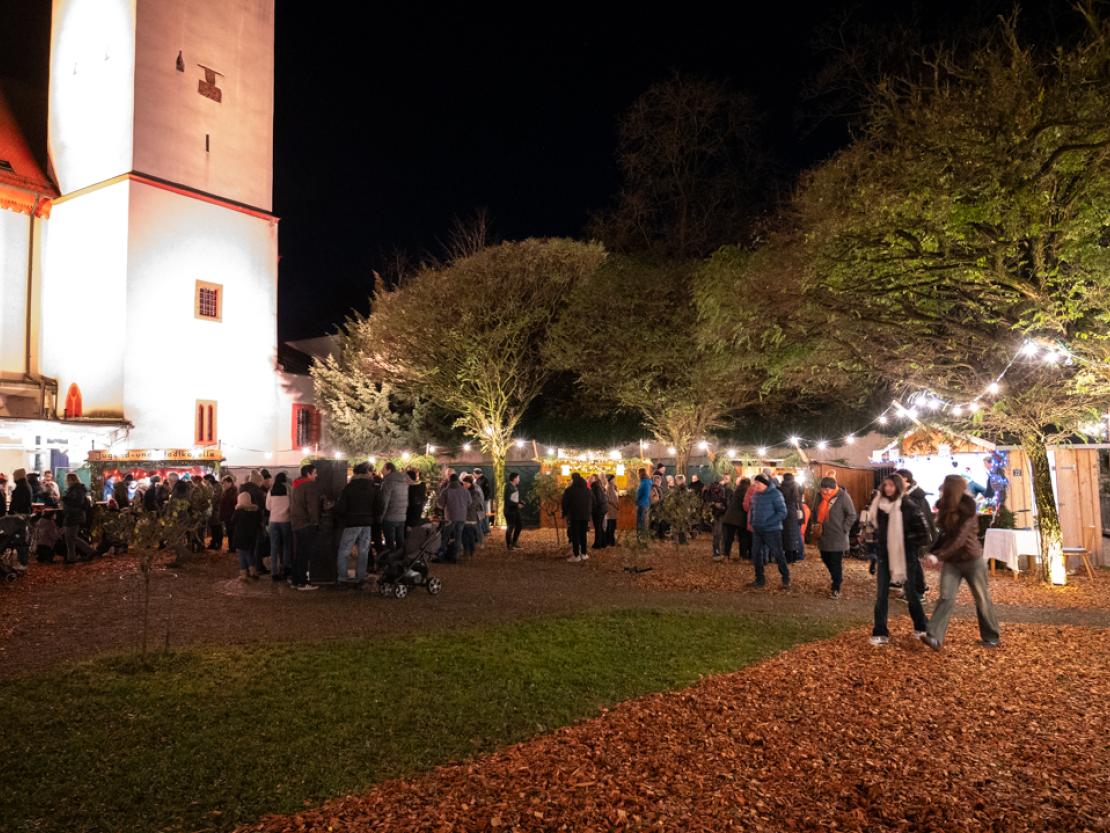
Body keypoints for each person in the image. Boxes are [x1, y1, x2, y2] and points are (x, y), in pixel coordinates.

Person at [923, 475, 1001, 650]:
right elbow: (943, 535)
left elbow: (959, 539)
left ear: (951, 490)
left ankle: (991, 636)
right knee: (945, 597)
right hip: (952, 562)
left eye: (943, 489)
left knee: (981, 598)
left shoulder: (969, 509)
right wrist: (931, 551)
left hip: (972, 560)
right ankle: (934, 636)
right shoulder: (944, 508)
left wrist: (938, 556)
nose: (940, 492)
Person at [867, 475, 929, 645]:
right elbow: (873, 530)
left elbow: (923, 534)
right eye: (886, 485)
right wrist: (873, 551)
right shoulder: (878, 506)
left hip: (904, 556)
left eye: (892, 486)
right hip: (884, 556)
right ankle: (880, 631)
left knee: (911, 593)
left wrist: (906, 544)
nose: (888, 489)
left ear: (899, 487)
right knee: (881, 595)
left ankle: (922, 626)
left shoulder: (908, 506)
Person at [895, 468, 936, 604]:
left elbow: (919, 518)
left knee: (913, 564)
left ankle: (918, 593)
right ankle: (914, 589)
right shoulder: (907, 495)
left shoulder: (914, 497)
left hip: (913, 536)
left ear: (905, 479)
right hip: (907, 535)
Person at [814, 477, 858, 599]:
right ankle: (836, 577)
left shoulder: (843, 496)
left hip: (838, 535)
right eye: (823, 489)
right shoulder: (819, 496)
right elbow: (814, 511)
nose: (825, 492)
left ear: (834, 488)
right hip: (823, 534)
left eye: (828, 489)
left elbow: (852, 514)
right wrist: (815, 524)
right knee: (825, 558)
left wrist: (844, 528)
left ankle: (836, 586)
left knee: (835, 562)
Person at [334, 462, 376, 584]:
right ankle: (360, 577)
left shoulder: (350, 487)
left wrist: (339, 516)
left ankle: (342, 577)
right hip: (367, 523)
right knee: (364, 551)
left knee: (344, 551)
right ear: (366, 472)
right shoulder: (372, 486)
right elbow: (379, 505)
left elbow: (341, 507)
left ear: (356, 473)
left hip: (352, 522)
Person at [747, 474, 790, 588]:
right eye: (755, 483)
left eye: (758, 483)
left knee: (778, 554)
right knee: (756, 555)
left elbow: (782, 512)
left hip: (772, 530)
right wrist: (752, 522)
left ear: (765, 484)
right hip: (757, 530)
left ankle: (785, 578)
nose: (755, 486)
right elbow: (752, 510)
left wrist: (768, 522)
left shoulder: (775, 494)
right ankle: (759, 579)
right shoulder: (756, 495)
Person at [289, 464, 322, 590]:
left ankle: (295, 580)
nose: (316, 475)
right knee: (304, 554)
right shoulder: (309, 486)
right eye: (315, 473)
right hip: (306, 524)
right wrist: (315, 522)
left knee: (298, 553)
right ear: (308, 474)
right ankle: (303, 582)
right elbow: (312, 507)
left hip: (296, 523)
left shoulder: (296, 485)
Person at [435, 472, 470, 563]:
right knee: (458, 536)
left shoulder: (446, 491)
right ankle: (455, 556)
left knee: (445, 536)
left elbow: (440, 505)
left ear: (449, 481)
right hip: (462, 516)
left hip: (450, 517)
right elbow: (469, 502)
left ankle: (442, 555)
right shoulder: (465, 490)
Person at [61, 472, 94, 564]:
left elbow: (77, 502)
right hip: (72, 515)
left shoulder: (77, 489)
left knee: (72, 537)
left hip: (74, 515)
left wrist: (66, 500)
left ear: (71, 480)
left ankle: (89, 551)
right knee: (69, 538)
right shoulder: (76, 489)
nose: (66, 482)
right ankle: (71, 557)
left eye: (67, 480)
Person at [265, 473, 293, 582]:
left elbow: (268, 507)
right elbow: (292, 505)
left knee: (274, 547)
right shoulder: (289, 490)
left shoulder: (270, 491)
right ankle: (286, 568)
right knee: (286, 545)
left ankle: (274, 572)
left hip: (273, 521)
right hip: (286, 520)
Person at [229, 491, 263, 580]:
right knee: (248, 553)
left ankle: (248, 572)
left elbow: (232, 521)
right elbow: (260, 521)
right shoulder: (256, 510)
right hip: (252, 536)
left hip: (240, 536)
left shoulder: (239, 511)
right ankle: (249, 572)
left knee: (243, 554)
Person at [561, 472, 591, 562]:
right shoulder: (588, 490)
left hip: (574, 515)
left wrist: (565, 513)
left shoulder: (569, 490)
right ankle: (584, 554)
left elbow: (564, 503)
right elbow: (591, 503)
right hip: (585, 516)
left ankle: (576, 555)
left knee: (575, 535)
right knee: (583, 534)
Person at [379, 461, 410, 550]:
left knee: (390, 542)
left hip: (389, 518)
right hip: (401, 517)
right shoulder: (404, 482)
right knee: (400, 541)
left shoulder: (388, 483)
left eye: (383, 468)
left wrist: (380, 518)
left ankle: (390, 561)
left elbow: (384, 502)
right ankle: (400, 561)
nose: (381, 470)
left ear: (389, 470)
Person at [721, 476, 750, 561]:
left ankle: (726, 555)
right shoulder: (747, 491)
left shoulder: (736, 490)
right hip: (741, 518)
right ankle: (742, 556)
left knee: (729, 538)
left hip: (730, 517)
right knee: (743, 538)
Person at [780, 473, 805, 563]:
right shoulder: (796, 485)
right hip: (796, 512)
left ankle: (788, 557)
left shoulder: (781, 486)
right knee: (796, 535)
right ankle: (798, 555)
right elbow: (799, 497)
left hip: (784, 512)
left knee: (786, 535)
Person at [706, 475, 730, 561]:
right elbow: (726, 501)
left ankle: (716, 551)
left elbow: (707, 500)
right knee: (721, 533)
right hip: (721, 513)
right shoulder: (723, 489)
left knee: (716, 534)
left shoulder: (710, 488)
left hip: (714, 513)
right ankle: (721, 553)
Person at [503, 471, 524, 550]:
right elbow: (508, 500)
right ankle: (509, 545)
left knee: (519, 525)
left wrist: (520, 502)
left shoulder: (514, 486)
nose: (519, 479)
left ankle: (514, 542)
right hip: (510, 511)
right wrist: (517, 504)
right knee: (510, 527)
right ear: (514, 479)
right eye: (518, 478)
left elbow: (514, 498)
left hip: (515, 510)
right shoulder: (509, 487)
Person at [589, 474, 608, 550]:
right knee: (599, 526)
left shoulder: (595, 487)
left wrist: (593, 508)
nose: (589, 479)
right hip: (601, 509)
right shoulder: (597, 486)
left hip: (598, 510)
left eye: (591, 478)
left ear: (595, 479)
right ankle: (603, 543)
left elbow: (597, 500)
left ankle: (598, 544)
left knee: (598, 527)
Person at [635, 469, 652, 537]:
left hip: (641, 503)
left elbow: (639, 493)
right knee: (645, 520)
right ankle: (645, 536)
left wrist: (636, 500)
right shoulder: (649, 481)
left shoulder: (643, 482)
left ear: (640, 474)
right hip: (647, 503)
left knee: (640, 521)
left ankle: (641, 536)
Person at [605, 474, 620, 547]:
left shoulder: (611, 486)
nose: (615, 480)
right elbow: (610, 500)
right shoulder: (609, 487)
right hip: (611, 508)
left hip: (612, 508)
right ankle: (611, 541)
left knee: (610, 525)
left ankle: (608, 540)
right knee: (612, 525)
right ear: (610, 479)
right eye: (614, 479)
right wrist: (616, 506)